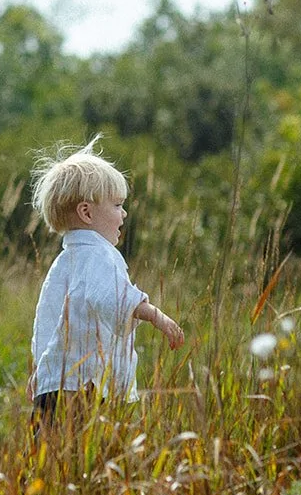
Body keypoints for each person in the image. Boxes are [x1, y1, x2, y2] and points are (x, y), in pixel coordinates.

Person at [27, 140, 184, 424]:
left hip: (55, 387)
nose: (123, 213)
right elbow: (112, 297)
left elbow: (47, 326)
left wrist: (42, 371)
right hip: (85, 388)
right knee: (90, 459)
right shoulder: (99, 254)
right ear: (86, 212)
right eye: (117, 205)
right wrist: (156, 316)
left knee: (51, 459)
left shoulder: (64, 262)